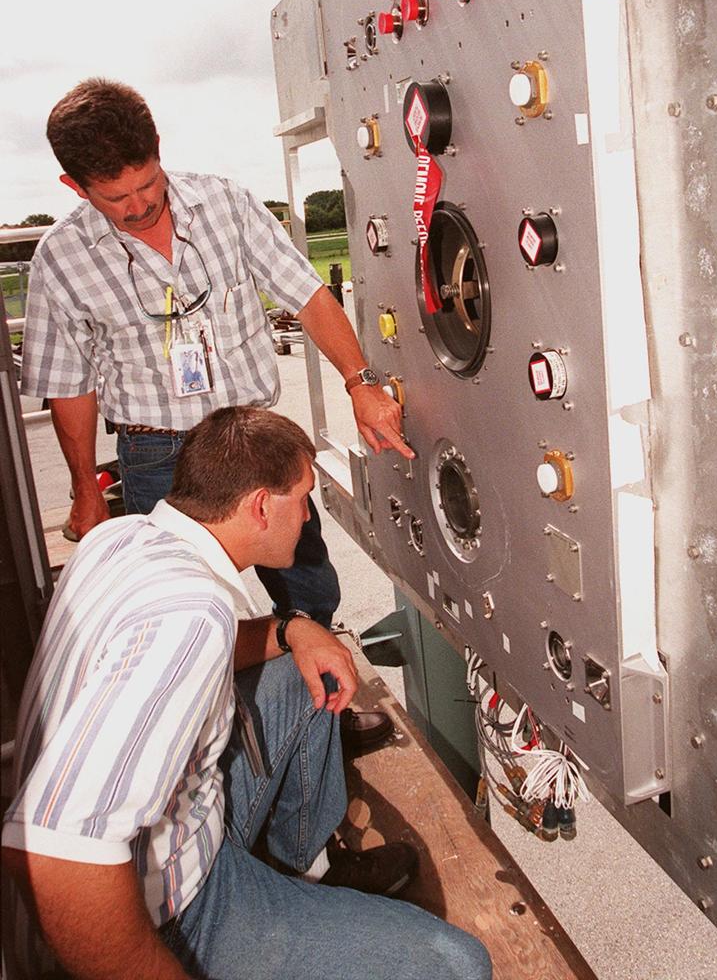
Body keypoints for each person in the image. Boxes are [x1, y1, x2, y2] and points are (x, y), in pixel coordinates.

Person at [2, 406, 491, 980]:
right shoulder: (193, 613)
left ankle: (308, 870)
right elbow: (54, 852)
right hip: (160, 909)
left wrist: (291, 629)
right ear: (261, 505)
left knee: (306, 668)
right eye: (302, 499)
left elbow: (162, 647)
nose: (307, 517)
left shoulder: (120, 536)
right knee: (457, 966)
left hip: (180, 831)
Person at [21, 77, 414, 747]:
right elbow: (70, 385)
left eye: (147, 184)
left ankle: (318, 723)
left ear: (158, 150)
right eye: (116, 199)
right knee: (186, 614)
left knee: (308, 585)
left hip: (251, 439)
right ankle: (222, 745)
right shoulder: (60, 259)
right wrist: (85, 487)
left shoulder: (225, 203)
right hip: (158, 453)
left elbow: (307, 293)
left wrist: (359, 381)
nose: (140, 206)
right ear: (74, 186)